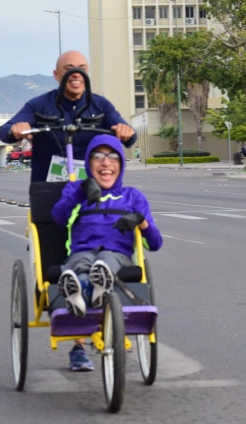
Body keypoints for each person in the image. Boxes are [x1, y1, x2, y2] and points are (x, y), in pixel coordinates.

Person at [51, 134, 163, 371]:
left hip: (117, 256)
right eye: (98, 156)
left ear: (121, 164)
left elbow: (155, 243)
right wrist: (81, 191)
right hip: (81, 251)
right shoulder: (77, 190)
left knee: (105, 261)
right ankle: (80, 289)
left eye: (113, 157)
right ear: (89, 163)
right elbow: (59, 218)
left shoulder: (133, 196)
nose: (106, 163)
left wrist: (140, 221)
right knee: (80, 264)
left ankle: (88, 286)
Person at [0, 50, 137, 183]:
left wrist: (126, 132)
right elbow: (4, 132)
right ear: (56, 74)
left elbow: (129, 136)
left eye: (82, 69)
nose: (76, 74)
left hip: (90, 189)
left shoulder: (101, 105)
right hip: (47, 188)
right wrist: (15, 130)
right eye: (68, 68)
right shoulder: (39, 105)